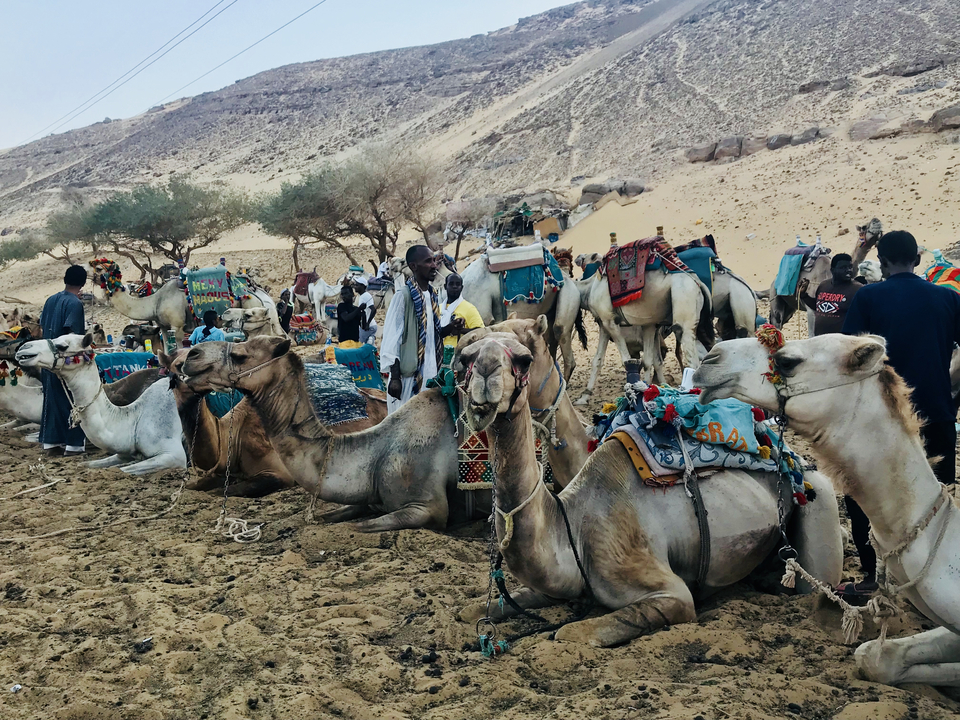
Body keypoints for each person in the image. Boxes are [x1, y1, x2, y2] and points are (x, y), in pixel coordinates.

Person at [840, 230, 960, 596]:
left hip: (881, 419)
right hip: (937, 414)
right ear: (918, 259)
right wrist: (952, 401)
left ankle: (874, 578)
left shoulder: (869, 296)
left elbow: (849, 359)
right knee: (937, 496)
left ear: (882, 260)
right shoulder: (947, 298)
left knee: (863, 495)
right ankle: (939, 578)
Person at [380, 246, 442, 414]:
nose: (434, 265)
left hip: (431, 373)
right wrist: (395, 378)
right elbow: (393, 339)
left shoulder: (434, 295)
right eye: (428, 261)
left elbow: (431, 334)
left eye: (434, 260)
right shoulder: (403, 296)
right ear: (414, 266)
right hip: (407, 379)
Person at [39, 265, 88, 456]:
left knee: (52, 400)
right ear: (83, 283)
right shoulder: (75, 304)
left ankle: (51, 444)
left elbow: (44, 327)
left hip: (47, 359)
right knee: (72, 400)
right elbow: (73, 336)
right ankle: (73, 446)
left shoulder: (50, 300)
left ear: (65, 279)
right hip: (65, 362)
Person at [798, 253, 864, 336]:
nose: (848, 270)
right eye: (843, 267)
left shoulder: (858, 289)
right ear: (832, 270)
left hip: (843, 342)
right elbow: (819, 307)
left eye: (850, 267)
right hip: (820, 339)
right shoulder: (823, 285)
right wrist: (803, 295)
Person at [439, 273, 483, 352]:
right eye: (451, 284)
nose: (455, 286)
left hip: (459, 355)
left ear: (462, 288)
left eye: (457, 284)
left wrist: (461, 331)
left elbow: (481, 332)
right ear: (445, 287)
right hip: (438, 353)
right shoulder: (439, 308)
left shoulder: (469, 308)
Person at [353, 277, 378, 345]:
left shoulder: (365, 296)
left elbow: (373, 310)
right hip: (368, 326)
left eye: (357, 285)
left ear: (362, 286)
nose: (355, 287)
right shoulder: (362, 296)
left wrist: (367, 323)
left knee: (359, 345)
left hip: (368, 327)